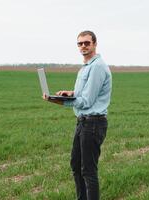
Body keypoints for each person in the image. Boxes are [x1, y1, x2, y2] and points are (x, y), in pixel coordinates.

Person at [42, 30, 112, 200]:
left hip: (93, 123)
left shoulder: (97, 66)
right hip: (83, 122)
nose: (83, 46)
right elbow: (85, 93)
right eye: (80, 43)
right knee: (76, 165)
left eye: (87, 43)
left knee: (88, 170)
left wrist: (61, 101)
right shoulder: (86, 67)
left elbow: (87, 101)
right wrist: (70, 93)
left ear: (95, 44)